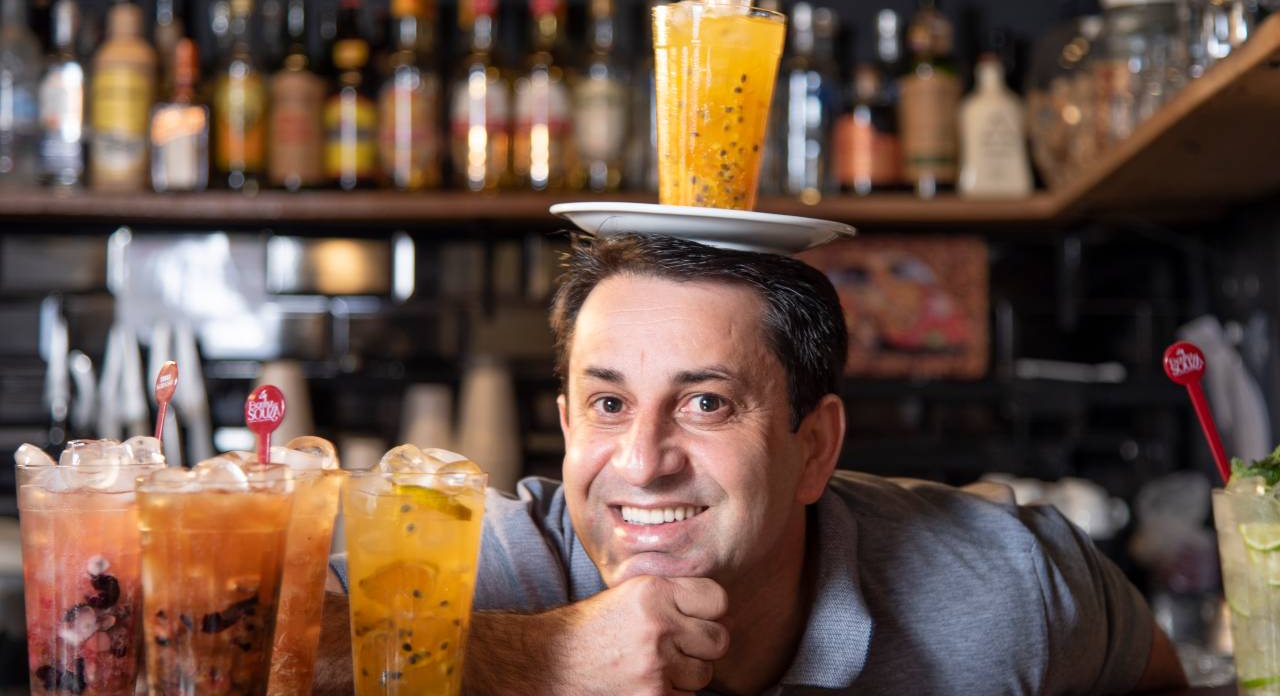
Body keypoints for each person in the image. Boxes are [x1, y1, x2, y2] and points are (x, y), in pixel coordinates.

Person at [316, 233, 1186, 695]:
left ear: (815, 447)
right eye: (608, 404)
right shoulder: (480, 569)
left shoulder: (1007, 582)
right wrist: (529, 664)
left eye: (706, 403)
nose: (644, 462)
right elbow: (209, 655)